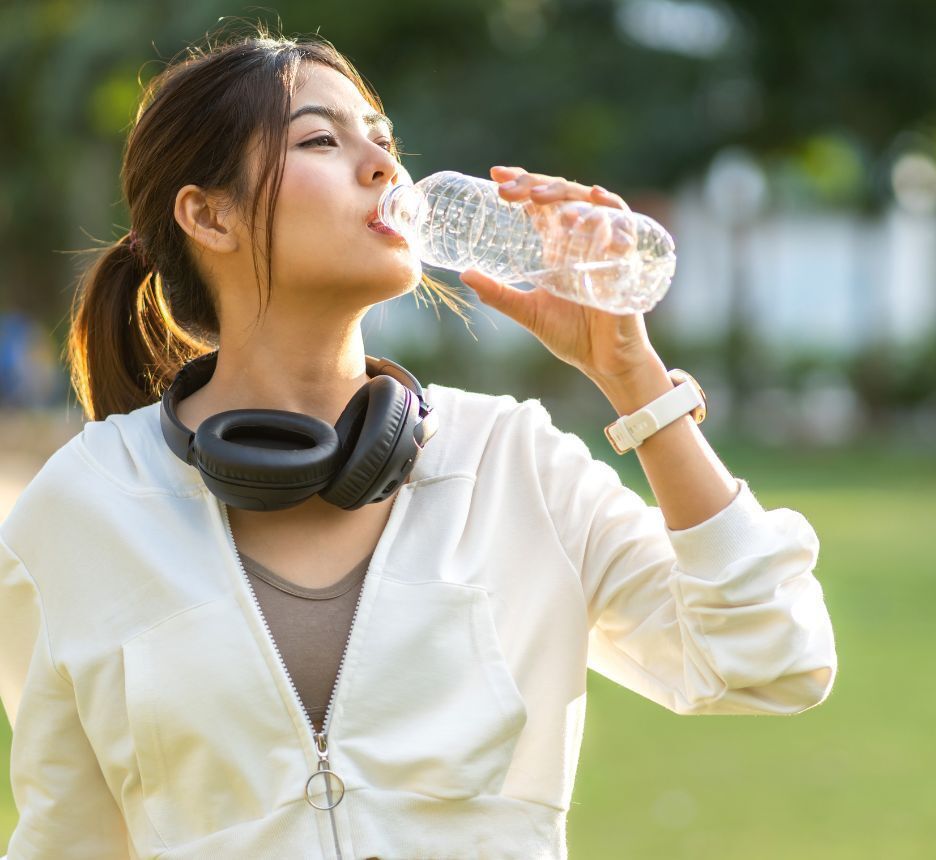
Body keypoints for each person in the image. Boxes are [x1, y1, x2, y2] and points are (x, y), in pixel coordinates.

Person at [0, 26, 837, 860]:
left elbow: (771, 654)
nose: (381, 165)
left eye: (384, 139)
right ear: (209, 215)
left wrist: (632, 375)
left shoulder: (512, 460)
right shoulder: (80, 511)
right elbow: (65, 840)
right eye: (323, 139)